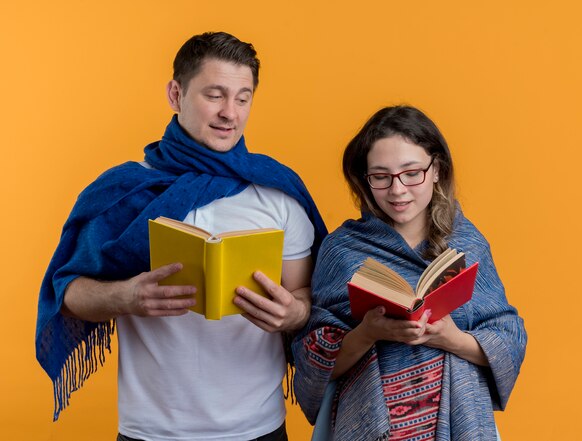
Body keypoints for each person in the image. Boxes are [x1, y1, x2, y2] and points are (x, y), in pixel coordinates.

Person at [35, 31, 327, 441]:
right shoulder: (124, 192)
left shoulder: (278, 193)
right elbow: (65, 293)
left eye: (243, 98)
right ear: (176, 93)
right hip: (151, 430)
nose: (230, 113)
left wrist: (293, 314)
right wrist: (127, 297)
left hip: (258, 427)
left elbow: (308, 297)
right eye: (215, 95)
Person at [292, 105, 527, 440]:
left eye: (411, 172)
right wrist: (367, 333)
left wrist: (451, 338)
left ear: (436, 170)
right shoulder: (341, 249)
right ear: (365, 178)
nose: (397, 190)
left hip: (456, 421)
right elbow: (312, 360)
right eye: (381, 176)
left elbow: (509, 339)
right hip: (368, 420)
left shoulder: (468, 244)